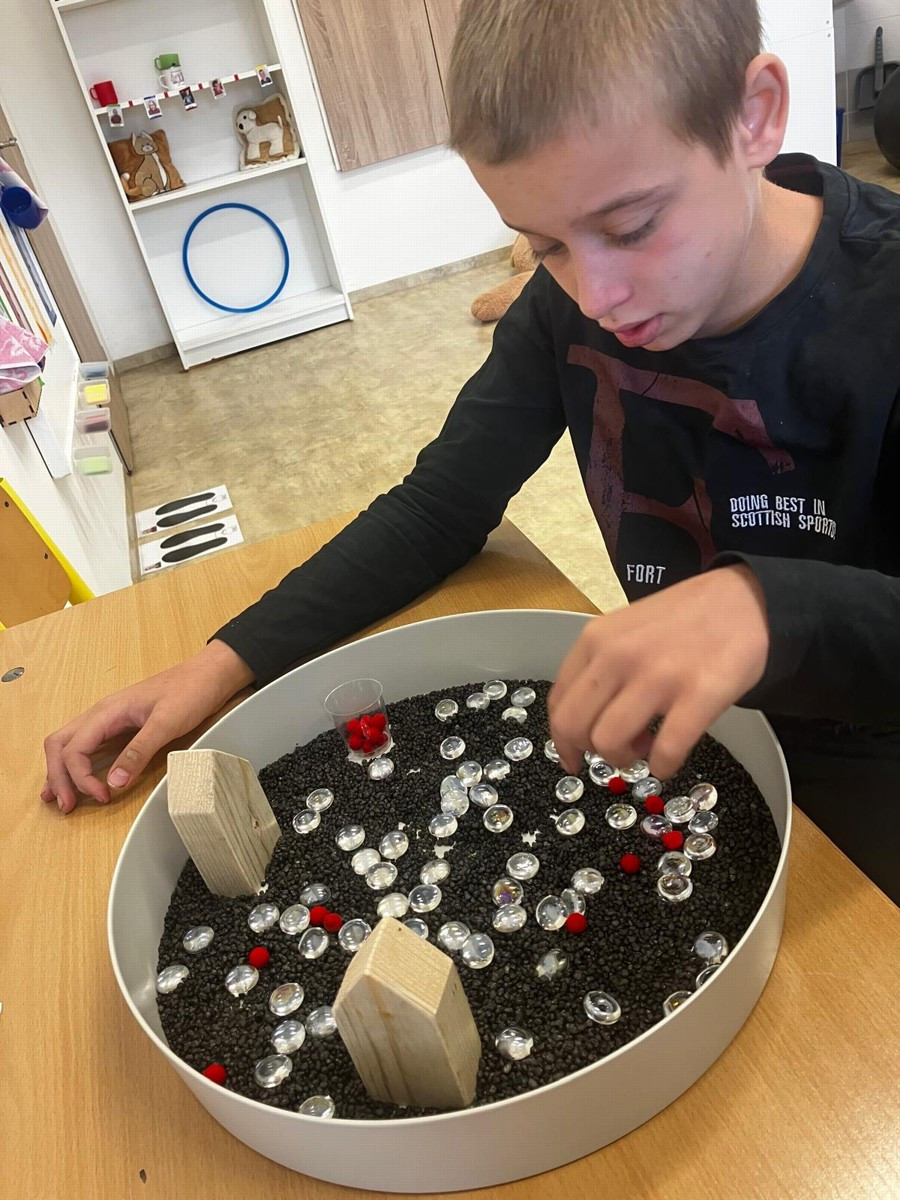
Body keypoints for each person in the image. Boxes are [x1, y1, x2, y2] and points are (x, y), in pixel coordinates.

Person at [43, 0, 900, 903]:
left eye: (632, 226)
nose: (596, 295)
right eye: (546, 244)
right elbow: (439, 507)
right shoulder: (566, 306)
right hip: (689, 738)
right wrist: (217, 665)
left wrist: (768, 610)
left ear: (753, 116)